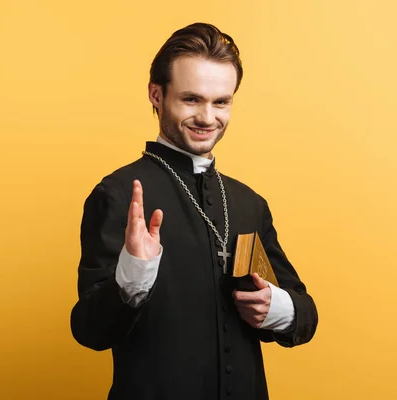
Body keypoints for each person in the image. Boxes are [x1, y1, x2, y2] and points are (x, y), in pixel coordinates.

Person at [70, 22, 318, 400]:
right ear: (157, 94)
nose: (207, 117)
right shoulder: (118, 195)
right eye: (191, 99)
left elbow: (305, 314)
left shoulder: (250, 202)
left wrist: (275, 307)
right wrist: (132, 275)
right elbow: (89, 331)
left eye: (221, 102)